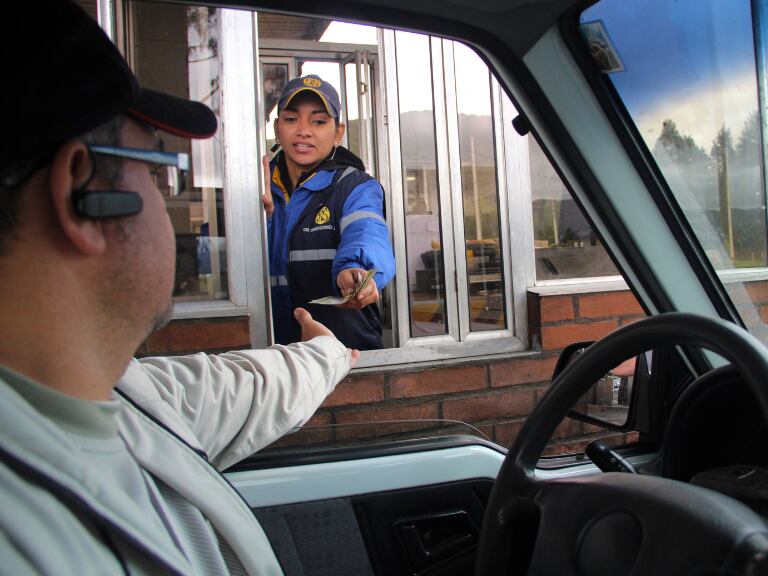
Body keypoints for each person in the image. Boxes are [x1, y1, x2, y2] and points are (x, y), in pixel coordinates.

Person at [0, 3, 358, 574]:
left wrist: (325, 352)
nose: (177, 210)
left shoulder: (110, 389)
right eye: (158, 168)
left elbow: (226, 387)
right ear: (80, 193)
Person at [262, 74, 396, 350]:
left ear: (338, 132)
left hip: (344, 356)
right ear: (277, 128)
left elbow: (366, 232)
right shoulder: (255, 187)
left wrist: (356, 272)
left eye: (319, 121)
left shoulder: (355, 187)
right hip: (270, 358)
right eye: (291, 119)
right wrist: (261, 218)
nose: (304, 131)